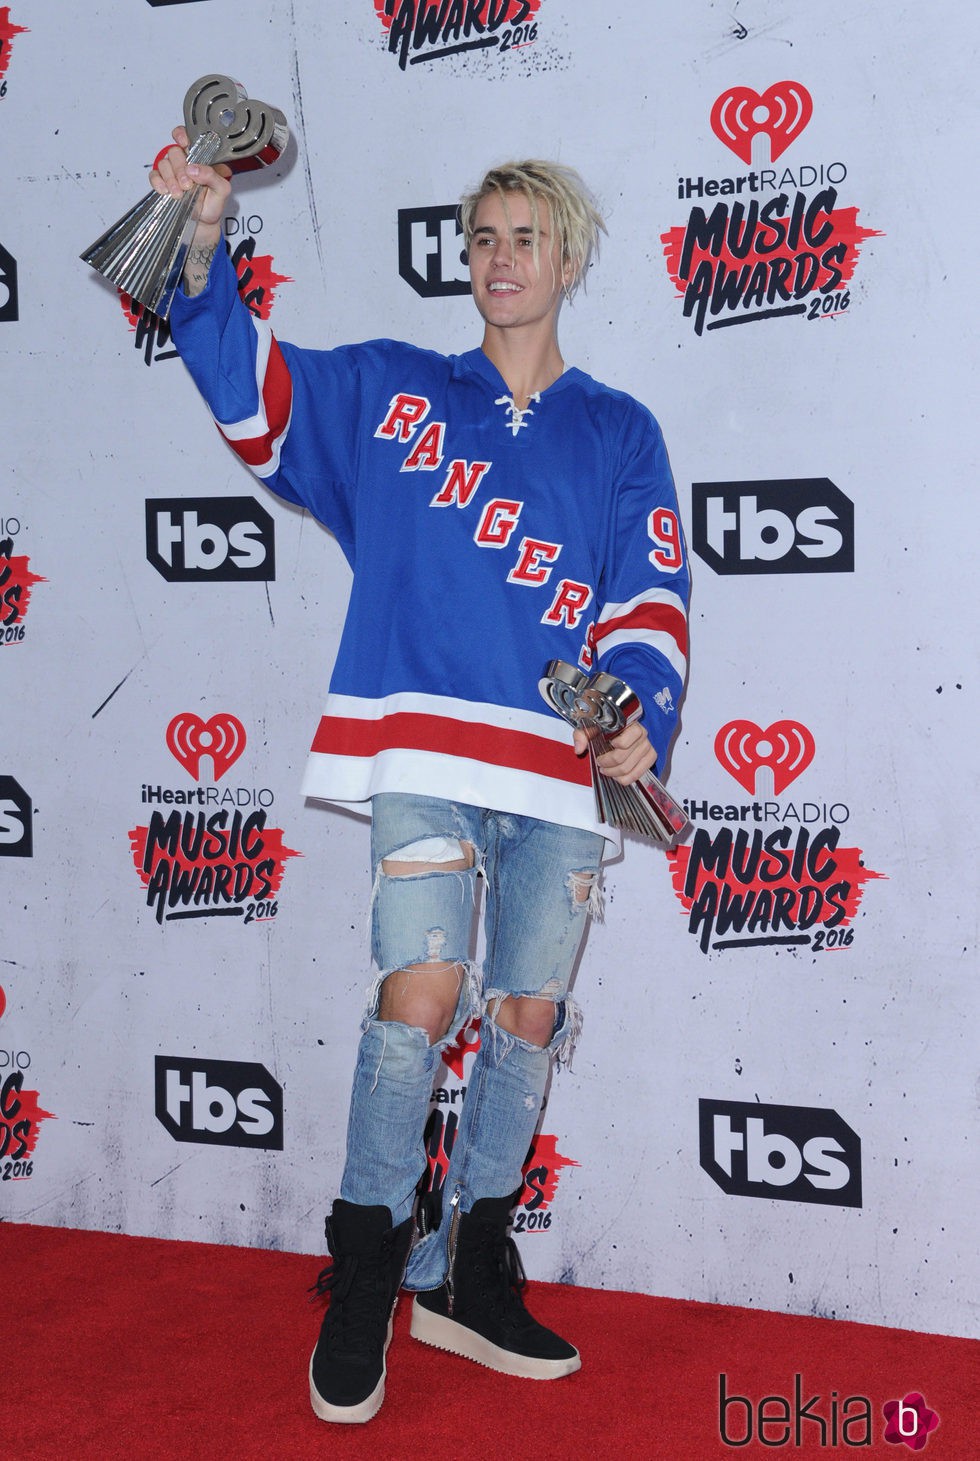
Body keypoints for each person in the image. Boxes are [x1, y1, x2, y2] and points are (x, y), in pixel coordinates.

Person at [151, 132, 690, 1424]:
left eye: (526, 237)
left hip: (562, 779)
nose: (501, 258)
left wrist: (638, 722)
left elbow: (653, 603)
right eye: (484, 237)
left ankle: (469, 1265)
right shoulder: (392, 395)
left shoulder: (622, 430)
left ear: (569, 257)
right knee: (420, 991)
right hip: (424, 754)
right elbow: (252, 390)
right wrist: (202, 242)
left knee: (522, 1018)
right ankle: (371, 1254)